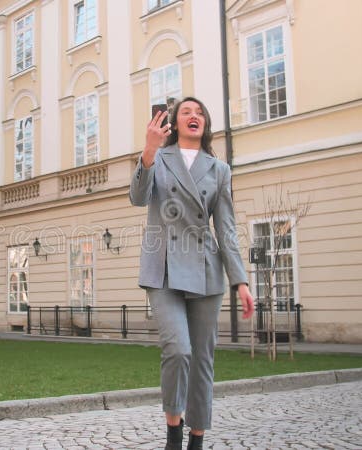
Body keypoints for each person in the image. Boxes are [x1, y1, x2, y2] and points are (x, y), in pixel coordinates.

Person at [129, 97, 255, 450]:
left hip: (205, 270)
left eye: (199, 112)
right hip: (164, 269)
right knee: (178, 350)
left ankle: (196, 441)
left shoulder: (219, 170)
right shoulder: (159, 158)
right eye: (186, 111)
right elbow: (138, 198)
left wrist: (240, 281)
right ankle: (173, 432)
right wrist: (148, 151)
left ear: (206, 124)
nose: (193, 116)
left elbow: (226, 229)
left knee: (201, 360)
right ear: (174, 122)